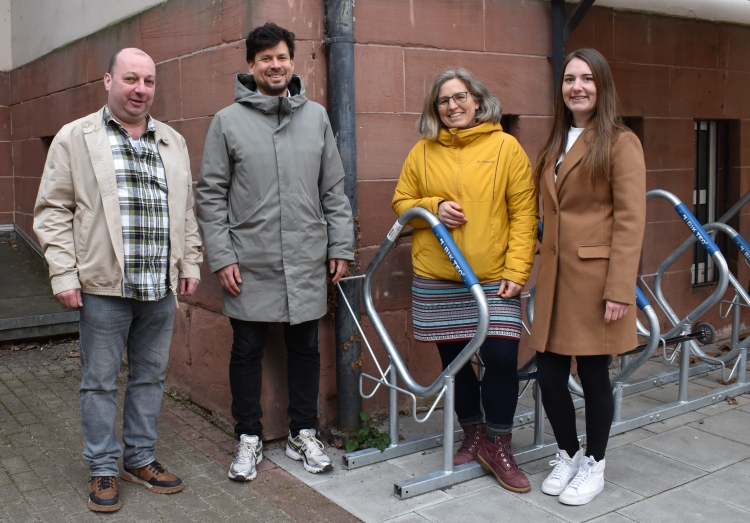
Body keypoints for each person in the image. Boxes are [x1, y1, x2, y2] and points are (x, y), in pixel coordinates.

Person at [33, 48, 203, 513]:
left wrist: (188, 265)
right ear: (108, 80)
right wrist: (64, 273)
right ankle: (104, 467)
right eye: (131, 79)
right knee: (100, 382)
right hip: (102, 286)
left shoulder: (172, 141)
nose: (140, 90)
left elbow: (185, 211)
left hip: (158, 287)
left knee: (150, 377)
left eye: (148, 81)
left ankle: (140, 458)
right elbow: (52, 212)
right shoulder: (76, 137)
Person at [196, 23, 354, 482]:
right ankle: (248, 436)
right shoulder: (227, 121)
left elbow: (333, 188)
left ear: (293, 60)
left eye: (282, 56)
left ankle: (304, 431)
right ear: (251, 65)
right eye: (265, 58)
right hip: (249, 261)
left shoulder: (316, 117)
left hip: (306, 256)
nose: (275, 64)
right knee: (246, 348)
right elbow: (211, 194)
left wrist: (339, 244)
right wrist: (222, 256)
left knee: (305, 347)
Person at [392, 69, 538, 493]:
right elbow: (402, 202)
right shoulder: (422, 152)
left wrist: (517, 270)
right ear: (434, 109)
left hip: (495, 277)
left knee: (501, 358)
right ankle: (472, 432)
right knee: (455, 364)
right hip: (439, 276)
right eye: (443, 101)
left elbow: (524, 214)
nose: (452, 106)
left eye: (460, 97)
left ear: (478, 102)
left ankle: (498, 442)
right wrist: (433, 205)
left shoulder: (505, 147)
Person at [529, 48, 646, 506]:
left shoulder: (620, 141)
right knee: (548, 376)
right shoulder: (556, 141)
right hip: (556, 279)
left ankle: (595, 464)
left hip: (597, 282)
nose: (577, 86)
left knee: (595, 374)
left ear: (602, 86)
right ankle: (569, 452)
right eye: (569, 79)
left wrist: (620, 288)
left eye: (587, 78)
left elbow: (631, 220)